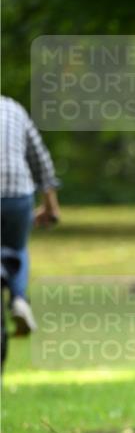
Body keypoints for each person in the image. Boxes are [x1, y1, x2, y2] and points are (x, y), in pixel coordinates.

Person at [0, 95, 61, 334]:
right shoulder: (14, 109)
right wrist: (51, 207)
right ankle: (19, 299)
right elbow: (41, 161)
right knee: (18, 247)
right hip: (18, 195)